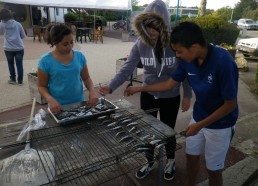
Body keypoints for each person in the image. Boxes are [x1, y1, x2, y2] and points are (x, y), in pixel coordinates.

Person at [124, 21, 239, 186]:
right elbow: (169, 84)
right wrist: (140, 88)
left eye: (179, 51)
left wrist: (200, 125)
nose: (177, 56)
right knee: (191, 157)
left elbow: (230, 104)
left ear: (194, 47)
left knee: (213, 170)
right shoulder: (188, 60)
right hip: (199, 116)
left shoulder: (223, 61)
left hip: (221, 123)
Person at [98, 0, 192, 181]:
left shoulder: (174, 44)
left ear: (164, 25)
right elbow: (127, 68)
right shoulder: (140, 45)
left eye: (156, 27)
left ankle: (171, 160)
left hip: (170, 96)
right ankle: (149, 161)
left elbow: (186, 71)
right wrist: (110, 86)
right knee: (147, 130)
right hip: (148, 95)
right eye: (148, 26)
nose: (151, 31)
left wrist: (187, 95)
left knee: (168, 130)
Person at [38, 24, 98, 113]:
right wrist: (50, 99)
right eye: (65, 44)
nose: (70, 46)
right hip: (58, 107)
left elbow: (86, 78)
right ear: (55, 42)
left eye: (71, 42)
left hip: (79, 104)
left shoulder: (79, 56)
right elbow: (42, 86)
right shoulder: (45, 61)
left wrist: (92, 92)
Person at [0, 8, 26, 85]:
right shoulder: (18, 24)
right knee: (19, 64)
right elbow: (23, 36)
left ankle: (13, 79)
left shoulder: (1, 25)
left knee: (10, 63)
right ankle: (20, 81)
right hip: (19, 48)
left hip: (8, 48)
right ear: (10, 15)